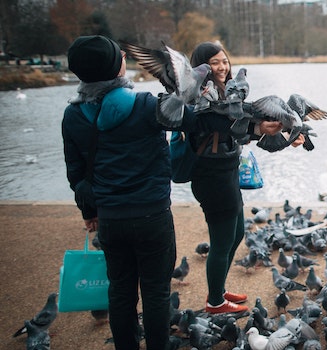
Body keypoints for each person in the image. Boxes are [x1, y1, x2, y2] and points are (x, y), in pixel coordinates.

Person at [62, 35, 233, 350]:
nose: (126, 57)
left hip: (111, 219)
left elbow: (76, 172)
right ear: (117, 66)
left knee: (120, 291)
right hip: (152, 215)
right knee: (156, 293)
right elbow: (195, 121)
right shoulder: (144, 104)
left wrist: (89, 212)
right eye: (120, 56)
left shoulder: (73, 115)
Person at [188, 42, 304, 314]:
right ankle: (215, 302)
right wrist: (260, 126)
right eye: (215, 62)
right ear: (201, 66)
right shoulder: (199, 95)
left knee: (237, 232)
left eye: (224, 61)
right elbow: (220, 124)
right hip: (211, 175)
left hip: (226, 171)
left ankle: (217, 290)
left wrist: (286, 133)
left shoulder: (227, 94)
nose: (222, 66)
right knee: (221, 240)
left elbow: (243, 128)